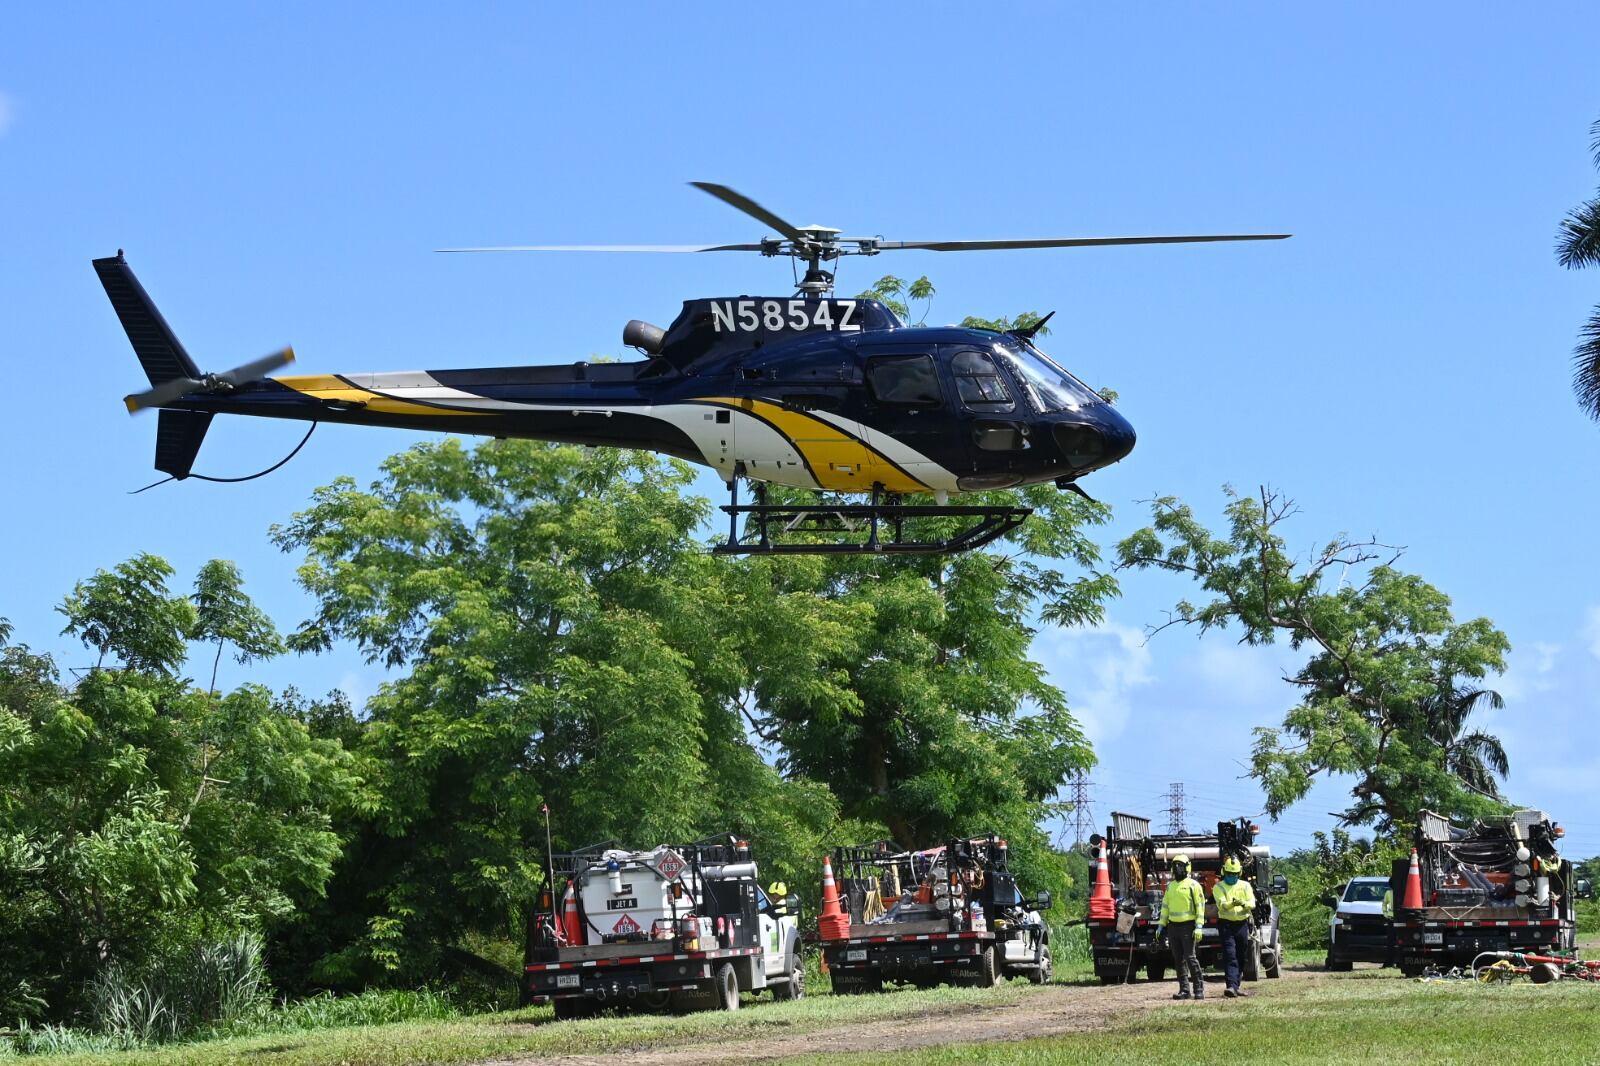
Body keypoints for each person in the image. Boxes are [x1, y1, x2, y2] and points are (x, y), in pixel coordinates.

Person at [1155, 853, 1207, 999]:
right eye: (1175, 865)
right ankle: (1184, 990)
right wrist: (1161, 926)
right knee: (1178, 959)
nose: (1177, 868)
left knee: (1191, 957)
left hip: (1188, 926)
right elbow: (1165, 907)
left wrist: (1198, 926)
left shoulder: (1193, 885)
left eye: (1180, 865)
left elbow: (1200, 907)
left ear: (1187, 867)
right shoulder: (1170, 886)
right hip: (1173, 927)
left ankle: (1198, 989)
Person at [1212, 855, 1257, 998]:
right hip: (1226, 924)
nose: (1232, 876)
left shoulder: (1245, 886)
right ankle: (1231, 986)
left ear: (1240, 873)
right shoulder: (1219, 887)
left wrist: (1243, 904)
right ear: (1224, 872)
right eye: (1230, 874)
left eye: (1235, 874)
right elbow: (1222, 905)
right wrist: (1233, 903)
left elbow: (1252, 903)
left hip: (1241, 924)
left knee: (1241, 955)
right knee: (1230, 954)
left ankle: (1236, 985)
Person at [1381, 884, 1396, 967]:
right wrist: (1386, 914)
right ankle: (1389, 962)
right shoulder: (1388, 893)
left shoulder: (1401, 892)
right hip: (1391, 919)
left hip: (1399, 919)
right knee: (1390, 943)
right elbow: (1384, 904)